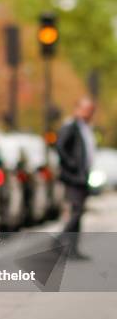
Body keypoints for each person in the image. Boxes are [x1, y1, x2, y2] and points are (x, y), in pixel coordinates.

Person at [56, 96, 96, 259]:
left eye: (91, 111)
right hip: (73, 177)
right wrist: (73, 166)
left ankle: (72, 250)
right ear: (77, 109)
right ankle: (57, 244)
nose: (89, 113)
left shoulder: (86, 128)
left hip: (83, 176)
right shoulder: (71, 126)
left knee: (79, 213)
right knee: (76, 212)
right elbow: (61, 147)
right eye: (86, 109)